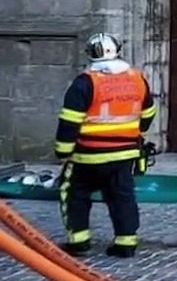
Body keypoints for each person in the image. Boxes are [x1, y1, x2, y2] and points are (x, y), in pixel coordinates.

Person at [54, 33, 157, 258]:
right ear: (118, 50)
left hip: (87, 155)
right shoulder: (137, 78)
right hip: (125, 153)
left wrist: (62, 151)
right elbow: (148, 111)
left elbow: (70, 120)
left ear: (90, 54)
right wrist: (137, 133)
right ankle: (126, 242)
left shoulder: (85, 81)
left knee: (73, 193)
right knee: (122, 196)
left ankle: (79, 241)